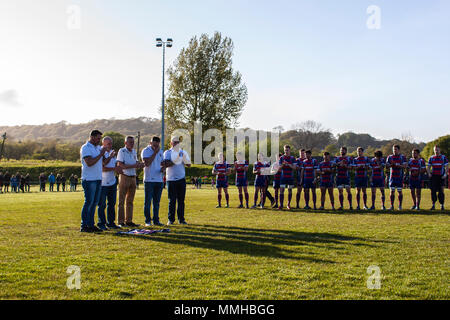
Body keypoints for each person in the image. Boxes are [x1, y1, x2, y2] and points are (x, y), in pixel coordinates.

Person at [80, 129, 106, 233]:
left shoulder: (98, 148)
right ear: (92, 137)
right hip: (89, 179)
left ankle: (91, 224)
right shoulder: (86, 147)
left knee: (94, 203)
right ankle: (84, 225)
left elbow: (103, 163)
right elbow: (89, 162)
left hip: (98, 178)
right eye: (98, 138)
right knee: (89, 202)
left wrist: (107, 155)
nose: (99, 141)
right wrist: (100, 154)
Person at [162, 135, 191, 225]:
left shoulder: (183, 152)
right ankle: (171, 219)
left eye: (177, 142)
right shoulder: (167, 152)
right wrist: (177, 159)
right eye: (174, 142)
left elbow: (189, 164)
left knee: (181, 200)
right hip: (171, 179)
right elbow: (166, 164)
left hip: (181, 179)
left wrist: (184, 158)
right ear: (171, 143)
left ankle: (181, 219)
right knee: (172, 200)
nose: (176, 143)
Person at [116, 136, 144, 227]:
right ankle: (120, 222)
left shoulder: (134, 151)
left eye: (133, 142)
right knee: (121, 200)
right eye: (130, 142)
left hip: (133, 177)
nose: (132, 144)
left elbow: (136, 163)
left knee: (130, 201)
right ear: (125, 143)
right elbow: (120, 165)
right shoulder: (122, 151)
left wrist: (140, 164)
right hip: (124, 176)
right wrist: (134, 165)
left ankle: (129, 220)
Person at [97, 136, 121, 230]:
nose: (110, 146)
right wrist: (110, 158)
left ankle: (111, 223)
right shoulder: (101, 152)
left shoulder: (112, 153)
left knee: (112, 204)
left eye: (111, 143)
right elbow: (103, 167)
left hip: (112, 182)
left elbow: (114, 165)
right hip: (103, 183)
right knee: (102, 204)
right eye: (108, 144)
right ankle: (101, 223)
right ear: (103, 144)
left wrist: (118, 168)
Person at [141, 136, 165, 226]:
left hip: (159, 179)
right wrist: (155, 152)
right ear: (150, 143)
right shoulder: (145, 151)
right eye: (154, 145)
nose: (156, 147)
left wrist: (164, 168)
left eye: (157, 145)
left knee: (156, 202)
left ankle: (156, 220)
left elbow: (162, 163)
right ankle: (147, 220)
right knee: (148, 201)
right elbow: (147, 163)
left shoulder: (161, 151)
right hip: (149, 180)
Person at [386, 145, 407, 211]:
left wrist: (397, 165)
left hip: (399, 177)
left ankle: (400, 206)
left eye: (396, 149)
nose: (394, 151)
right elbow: (387, 166)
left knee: (399, 191)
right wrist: (391, 165)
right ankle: (391, 206)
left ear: (399, 150)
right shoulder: (390, 157)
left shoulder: (402, 157)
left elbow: (405, 166)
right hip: (392, 177)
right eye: (393, 149)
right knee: (392, 191)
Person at [427, 145, 448, 210]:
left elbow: (447, 166)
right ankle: (433, 205)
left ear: (440, 150)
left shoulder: (443, 157)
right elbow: (428, 167)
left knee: (441, 191)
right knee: (433, 191)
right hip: (434, 177)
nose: (436, 151)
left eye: (437, 149)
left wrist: (445, 174)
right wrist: (429, 173)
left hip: (441, 177)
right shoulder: (431, 158)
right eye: (435, 149)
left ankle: (442, 205)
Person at [278, 145, 296, 210]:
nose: (286, 151)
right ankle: (281, 205)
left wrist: (288, 164)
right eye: (285, 150)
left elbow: (294, 167)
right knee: (281, 190)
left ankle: (288, 204)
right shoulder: (281, 158)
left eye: (287, 150)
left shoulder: (292, 158)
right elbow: (279, 168)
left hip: (290, 177)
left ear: (290, 150)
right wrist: (283, 164)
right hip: (283, 177)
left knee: (290, 190)